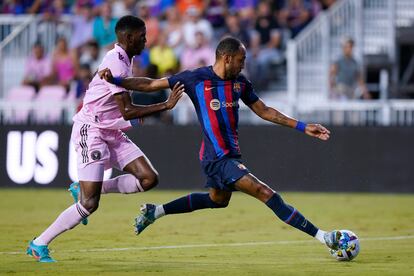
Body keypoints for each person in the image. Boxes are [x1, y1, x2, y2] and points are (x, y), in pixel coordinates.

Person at [99, 37, 343, 254]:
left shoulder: (241, 83)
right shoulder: (195, 78)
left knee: (218, 200)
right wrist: (117, 79)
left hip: (225, 155)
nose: (243, 64)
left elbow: (265, 111)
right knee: (265, 192)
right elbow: (151, 84)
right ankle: (325, 238)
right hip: (218, 158)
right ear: (226, 58)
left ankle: (155, 212)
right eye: (241, 59)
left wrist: (302, 126)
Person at [26, 15, 184, 263]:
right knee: (89, 204)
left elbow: (136, 85)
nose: (146, 40)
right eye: (142, 36)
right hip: (92, 130)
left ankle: (82, 187)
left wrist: (163, 85)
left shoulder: (124, 60)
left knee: (148, 178)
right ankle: (39, 244)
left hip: (110, 129)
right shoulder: (115, 61)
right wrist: (165, 104)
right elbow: (128, 110)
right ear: (129, 37)